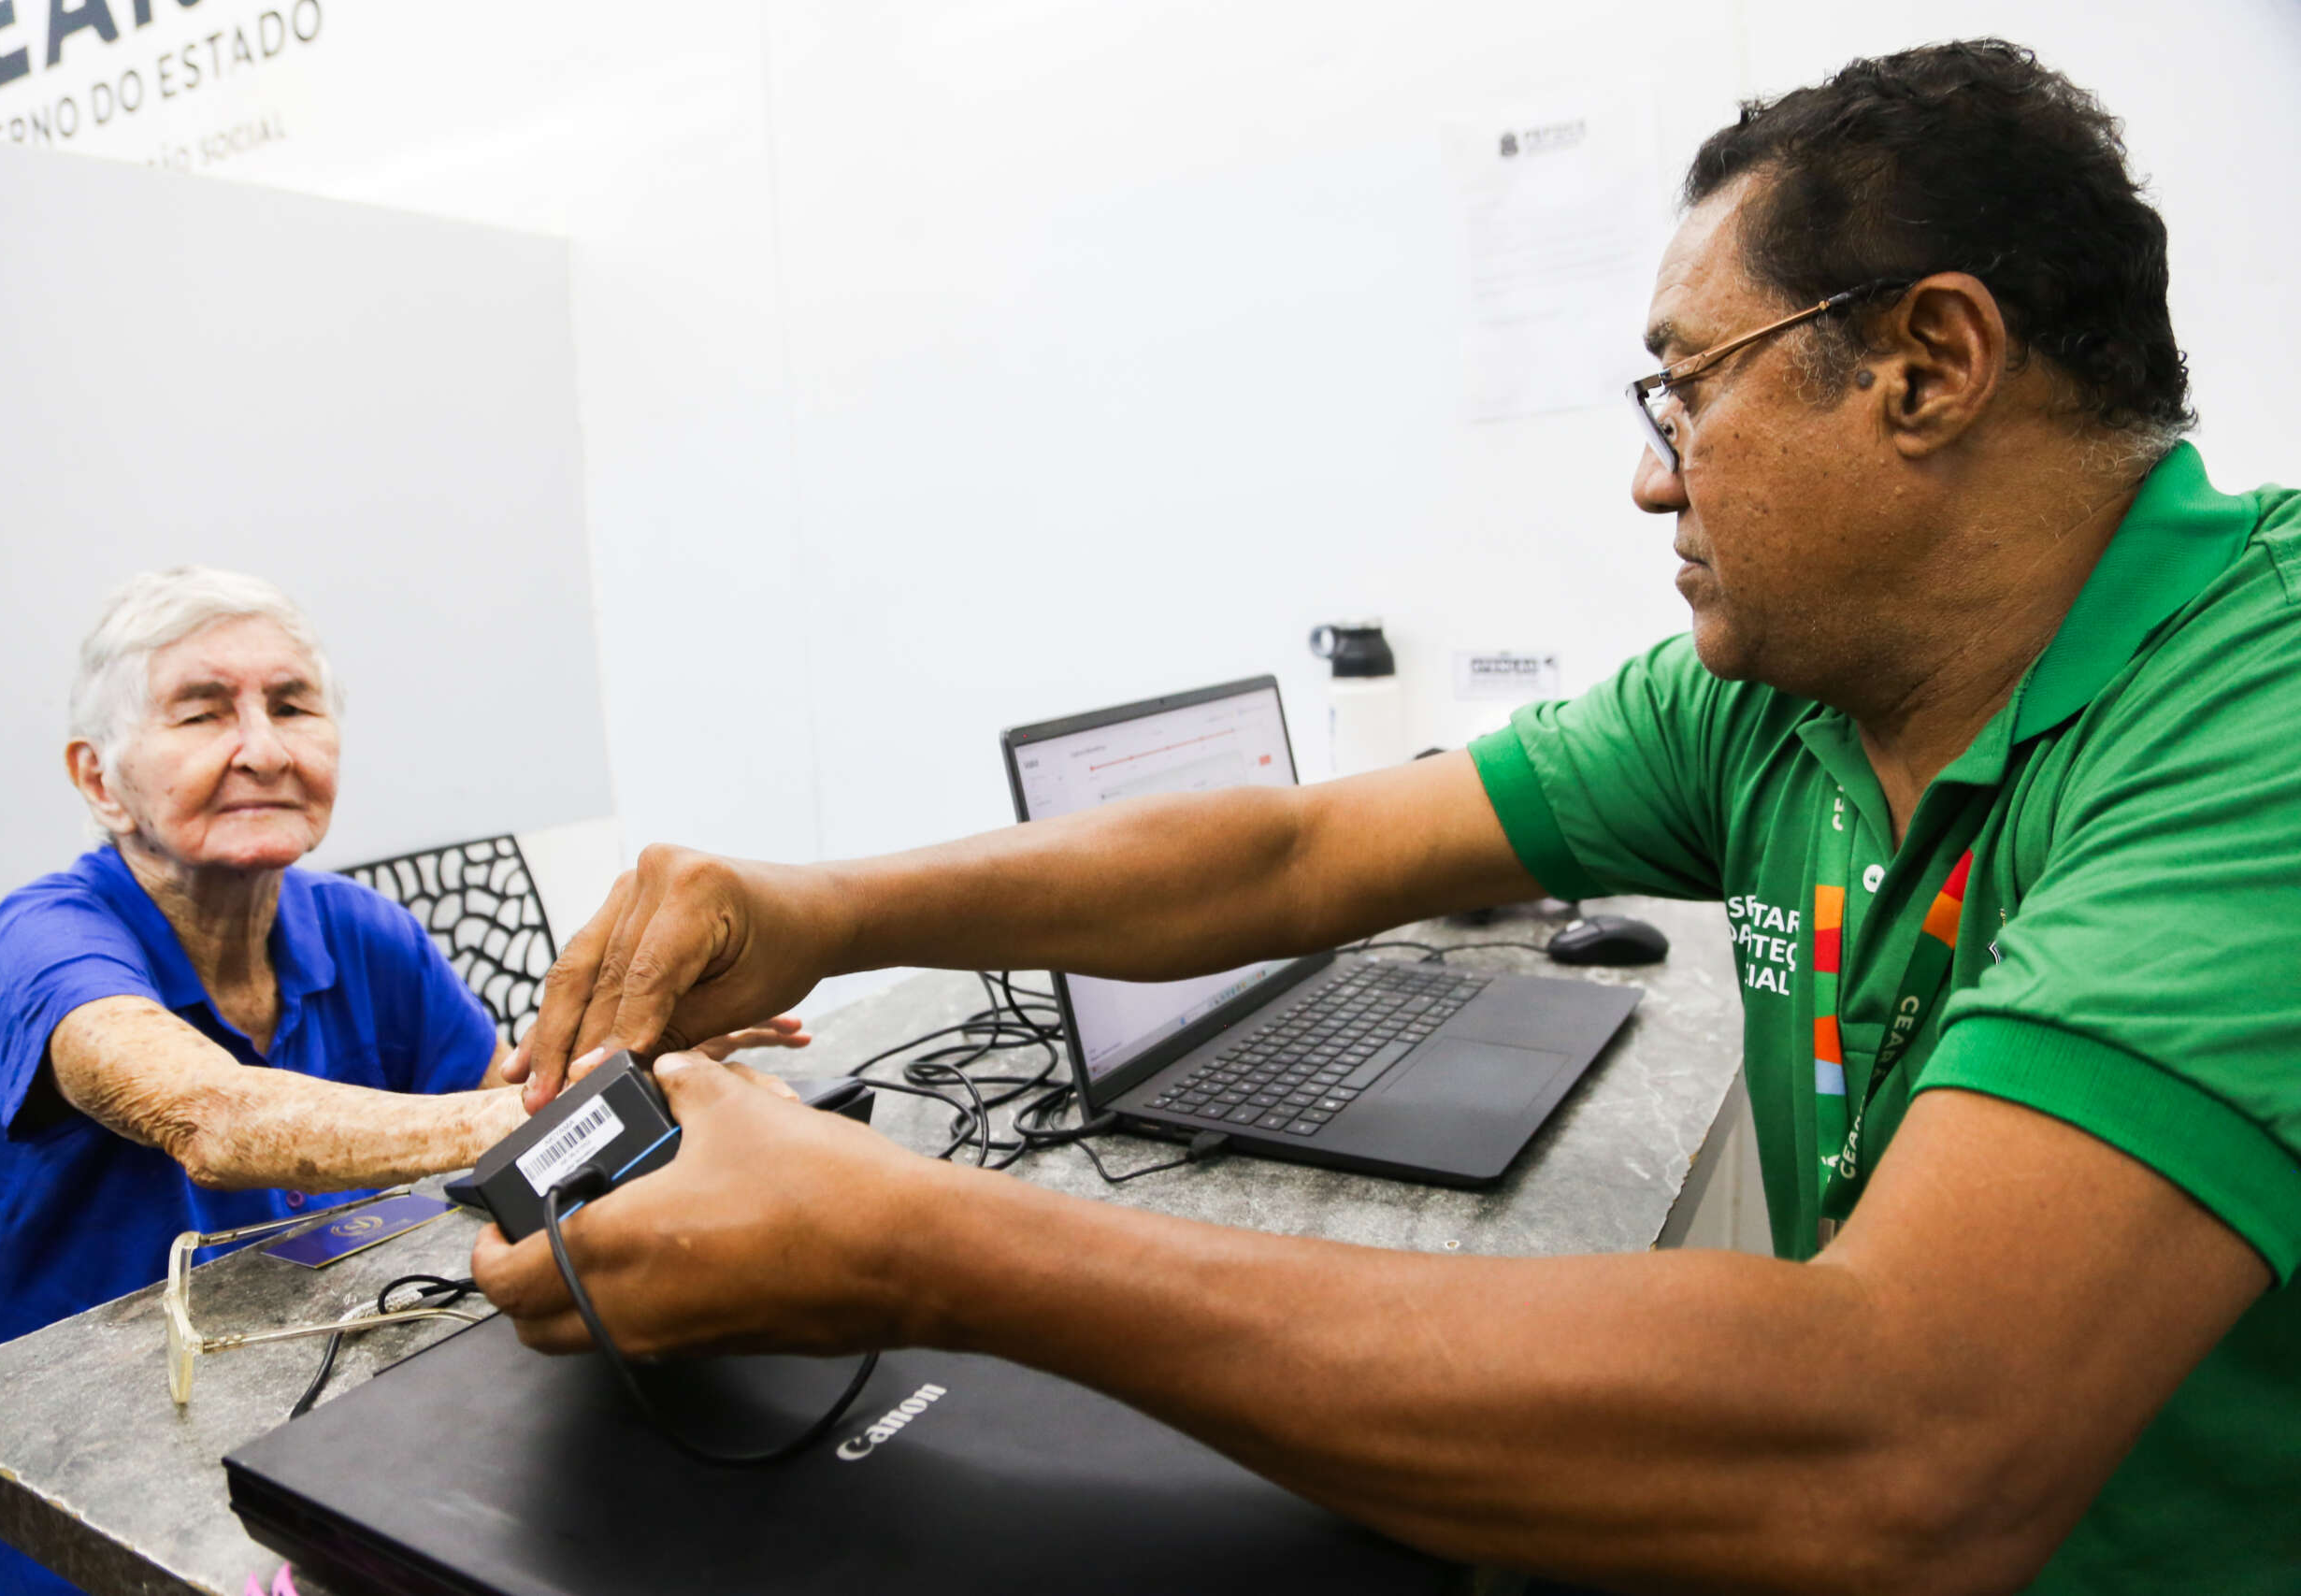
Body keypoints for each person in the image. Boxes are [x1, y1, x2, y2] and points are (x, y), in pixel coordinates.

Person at [475, 42, 2298, 1596]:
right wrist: (814, 906)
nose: (1650, 466)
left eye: (1684, 383)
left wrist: (915, 1242)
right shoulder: (1772, 704)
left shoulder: (2254, 711)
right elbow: (1293, 851)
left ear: (1923, 361)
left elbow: (1911, 1437)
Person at [0, 567, 804, 1596]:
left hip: (322, 1403)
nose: (263, 748)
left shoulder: (357, 930)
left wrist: (653, 1079)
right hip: (84, 1490)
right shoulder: (45, 938)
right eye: (202, 711)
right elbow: (211, 1118)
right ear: (98, 780)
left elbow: (516, 1144)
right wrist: (590, 1101)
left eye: (292, 705)